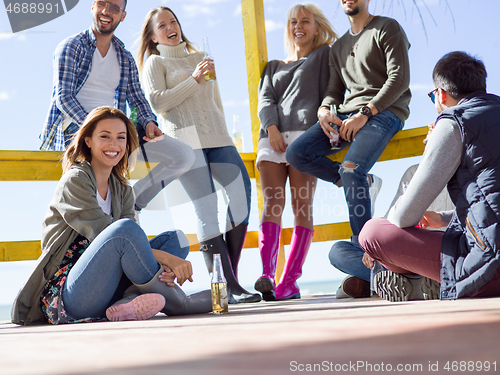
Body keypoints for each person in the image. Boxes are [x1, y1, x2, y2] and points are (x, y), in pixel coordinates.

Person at [12, 107, 211, 325]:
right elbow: (109, 235)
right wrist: (167, 262)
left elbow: (134, 247)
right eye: (105, 136)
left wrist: (166, 259)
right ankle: (177, 303)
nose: (114, 145)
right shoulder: (76, 180)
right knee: (126, 230)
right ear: (88, 140)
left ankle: (127, 302)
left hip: (110, 287)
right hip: (72, 296)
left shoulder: (123, 190)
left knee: (176, 240)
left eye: (121, 138)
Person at [285, 0, 411, 294]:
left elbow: (399, 78)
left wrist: (366, 112)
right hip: (345, 117)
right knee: (297, 153)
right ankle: (357, 182)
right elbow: (334, 91)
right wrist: (325, 110)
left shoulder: (387, 28)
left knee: (351, 168)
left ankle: (366, 250)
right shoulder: (338, 47)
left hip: (384, 113)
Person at [137, 6, 259, 304]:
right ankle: (229, 285)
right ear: (153, 37)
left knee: (242, 198)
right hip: (184, 140)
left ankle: (227, 278)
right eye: (162, 25)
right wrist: (193, 79)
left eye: (173, 21)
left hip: (218, 136)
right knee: (208, 209)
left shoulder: (200, 58)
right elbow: (159, 103)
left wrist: (229, 136)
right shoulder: (155, 63)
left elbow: (214, 101)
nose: (170, 27)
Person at [359, 51, 500, 302]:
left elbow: (403, 217)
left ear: (441, 94)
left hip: (489, 267)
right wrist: (443, 218)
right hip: (488, 247)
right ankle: (427, 279)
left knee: (372, 232)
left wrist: (434, 147)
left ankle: (425, 281)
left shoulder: (453, 122)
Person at [39, 0, 194, 219]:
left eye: (114, 8)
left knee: (183, 155)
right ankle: (124, 219)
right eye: (102, 4)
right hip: (78, 130)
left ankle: (134, 199)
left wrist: (149, 121)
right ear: (93, 7)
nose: (106, 11)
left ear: (122, 15)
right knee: (103, 202)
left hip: (115, 130)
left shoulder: (124, 56)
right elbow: (63, 98)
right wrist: (95, 128)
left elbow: (137, 98)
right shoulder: (71, 46)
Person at [253, 3, 337, 301]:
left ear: (316, 27)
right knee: (271, 204)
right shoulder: (272, 66)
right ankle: (267, 274)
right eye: (293, 21)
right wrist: (272, 128)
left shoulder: (324, 54)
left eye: (305, 21)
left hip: (305, 139)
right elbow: (265, 100)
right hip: (272, 138)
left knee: (302, 208)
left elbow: (331, 91)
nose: (298, 26)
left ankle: (289, 282)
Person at [332, 124, 455, 299]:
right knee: (338, 251)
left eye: (432, 137)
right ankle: (419, 283)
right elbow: (391, 218)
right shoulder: (413, 173)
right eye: (427, 137)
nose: (426, 141)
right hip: (406, 252)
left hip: (442, 252)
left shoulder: (463, 175)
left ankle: (377, 283)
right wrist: (373, 248)